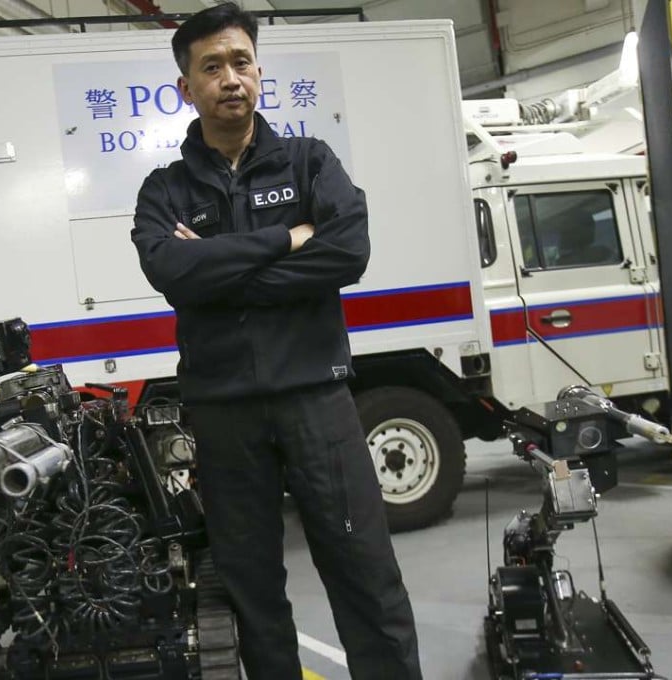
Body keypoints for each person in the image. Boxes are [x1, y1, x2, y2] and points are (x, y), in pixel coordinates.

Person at [131, 3, 421, 678]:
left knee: (364, 572)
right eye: (211, 67)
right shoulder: (165, 189)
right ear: (187, 88)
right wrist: (285, 239)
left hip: (317, 400)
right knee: (251, 588)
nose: (229, 77)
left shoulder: (310, 161)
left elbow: (346, 253)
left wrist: (221, 270)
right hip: (224, 411)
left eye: (240, 62)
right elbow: (171, 270)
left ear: (259, 72)